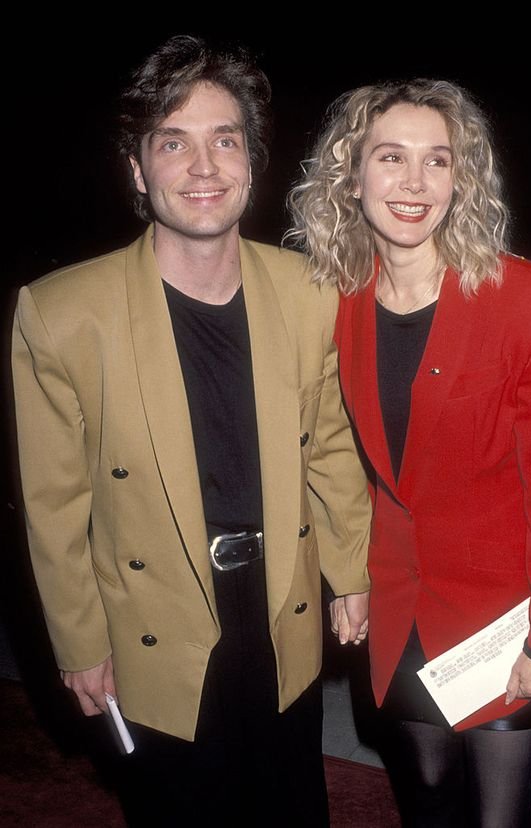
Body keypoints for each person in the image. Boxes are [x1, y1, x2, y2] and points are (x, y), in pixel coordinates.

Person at [11, 36, 371, 827]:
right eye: (174, 142)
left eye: (225, 140)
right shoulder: (63, 312)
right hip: (156, 616)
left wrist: (350, 571)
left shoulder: (311, 291)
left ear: (253, 162)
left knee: (292, 806)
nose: (203, 165)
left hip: (281, 606)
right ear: (138, 171)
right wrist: (78, 642)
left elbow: (332, 444)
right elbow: (54, 500)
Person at [287, 79, 531, 827]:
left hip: (500, 609)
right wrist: (347, 574)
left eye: (439, 161)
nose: (414, 183)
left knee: (497, 813)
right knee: (422, 786)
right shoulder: (336, 300)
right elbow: (335, 459)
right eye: (391, 158)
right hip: (398, 598)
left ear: (464, 180)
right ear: (351, 176)